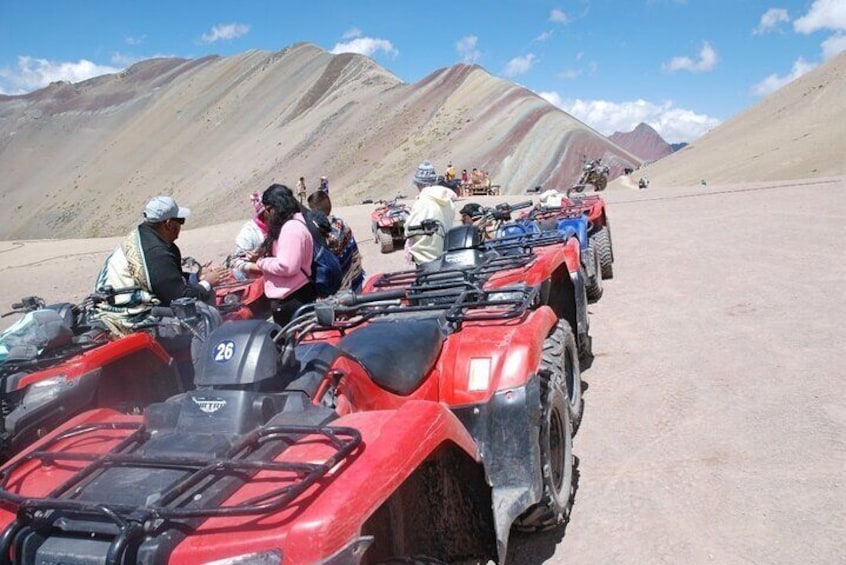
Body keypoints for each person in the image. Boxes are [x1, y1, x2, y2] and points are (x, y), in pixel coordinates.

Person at [93, 195, 227, 334]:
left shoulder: (144, 236)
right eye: (180, 221)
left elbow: (166, 280)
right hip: (132, 318)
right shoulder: (156, 252)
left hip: (118, 309)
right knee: (206, 318)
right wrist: (207, 283)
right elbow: (181, 298)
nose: (181, 226)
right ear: (168, 224)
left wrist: (197, 276)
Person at [239, 184, 315, 326]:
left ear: (276, 207)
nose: (267, 215)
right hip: (295, 296)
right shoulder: (294, 223)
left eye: (268, 210)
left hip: (293, 298)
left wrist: (261, 262)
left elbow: (287, 267)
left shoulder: (290, 228)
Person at [307, 190, 365, 291]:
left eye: (310, 209)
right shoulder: (341, 223)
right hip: (355, 278)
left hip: (342, 290)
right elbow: (354, 253)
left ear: (314, 210)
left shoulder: (322, 235)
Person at [404, 161, 456, 266]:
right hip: (444, 253)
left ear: (418, 184)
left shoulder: (422, 202)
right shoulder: (448, 200)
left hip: (425, 258)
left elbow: (408, 230)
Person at [230, 192, 269, 279]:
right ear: (265, 212)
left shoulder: (279, 225)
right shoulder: (249, 232)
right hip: (255, 281)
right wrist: (266, 269)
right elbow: (238, 262)